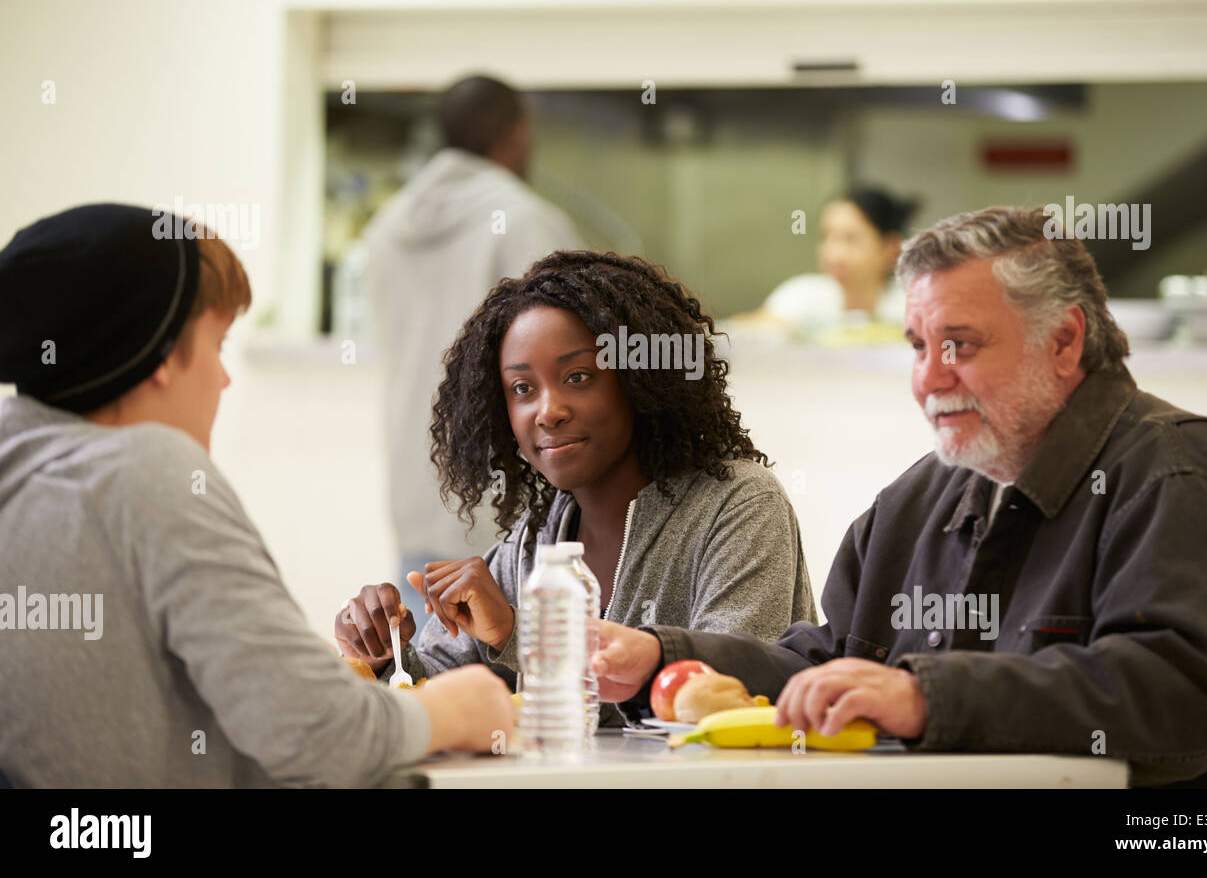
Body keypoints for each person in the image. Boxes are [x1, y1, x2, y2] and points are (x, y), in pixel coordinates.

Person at [592, 205, 1207, 787]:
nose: (930, 378)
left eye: (959, 344)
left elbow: (1179, 697)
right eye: (917, 347)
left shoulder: (1182, 468)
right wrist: (664, 653)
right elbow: (828, 663)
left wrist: (925, 696)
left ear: (1063, 340)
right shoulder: (919, 498)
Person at [0, 204, 511, 787]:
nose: (223, 378)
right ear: (162, 355)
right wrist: (456, 708)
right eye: (216, 344)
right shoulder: (146, 474)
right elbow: (317, 734)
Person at [335, 250, 819, 725]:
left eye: (578, 377)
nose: (548, 410)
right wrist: (386, 657)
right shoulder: (536, 538)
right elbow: (441, 692)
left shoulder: (739, 505)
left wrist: (516, 631)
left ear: (639, 380)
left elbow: (722, 693)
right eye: (522, 389)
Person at [364, 74, 585, 632]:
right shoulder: (525, 218)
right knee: (526, 687)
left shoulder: (387, 226)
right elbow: (573, 349)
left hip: (417, 484)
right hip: (504, 503)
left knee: (424, 682)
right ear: (514, 135)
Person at [748, 186, 919, 329]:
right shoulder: (802, 296)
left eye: (850, 239)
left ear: (890, 248)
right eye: (827, 237)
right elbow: (744, 331)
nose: (833, 254)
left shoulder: (914, 307)